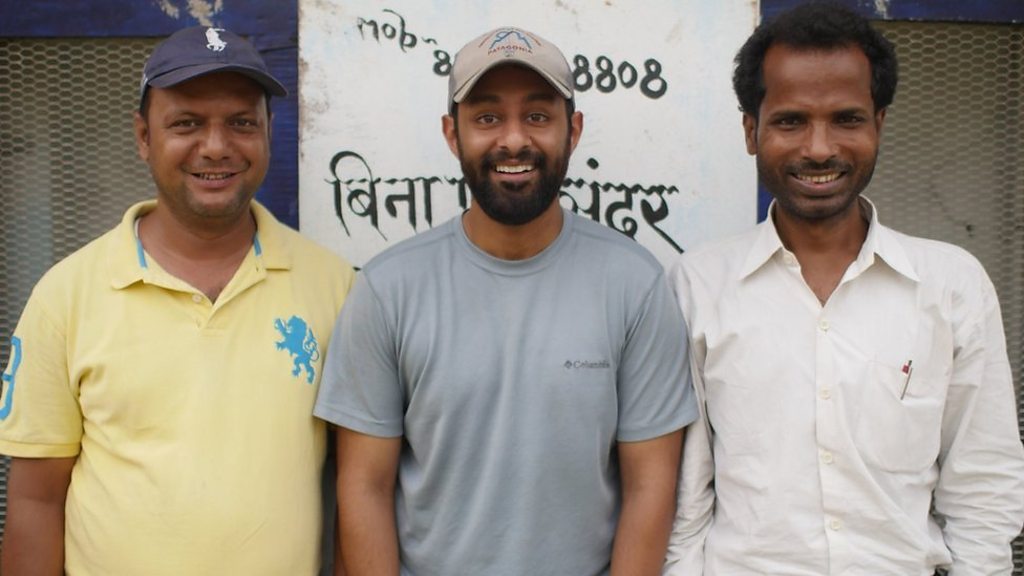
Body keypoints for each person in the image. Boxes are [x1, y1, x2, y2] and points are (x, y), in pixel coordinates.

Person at [314, 26, 696, 576]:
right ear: (453, 134)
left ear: (574, 131)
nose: (513, 140)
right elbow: (364, 486)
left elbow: (650, 486)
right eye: (487, 118)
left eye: (538, 116)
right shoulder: (387, 289)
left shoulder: (634, 285)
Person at [663, 2, 1024, 574]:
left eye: (847, 119)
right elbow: (685, 496)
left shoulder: (951, 286)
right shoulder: (698, 285)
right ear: (750, 130)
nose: (820, 148)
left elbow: (983, 483)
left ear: (879, 123)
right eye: (790, 121)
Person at [0, 26, 355, 575]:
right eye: (186, 124)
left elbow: (362, 486)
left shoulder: (335, 287)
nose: (216, 147)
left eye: (241, 123)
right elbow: (35, 500)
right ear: (143, 136)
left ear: (268, 133)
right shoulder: (66, 296)